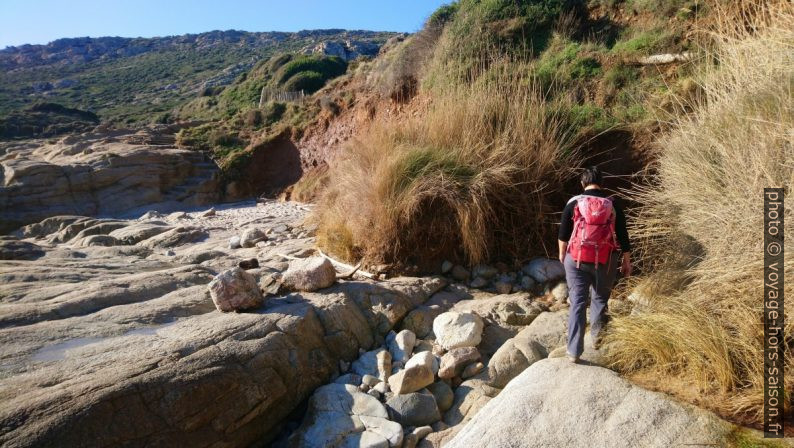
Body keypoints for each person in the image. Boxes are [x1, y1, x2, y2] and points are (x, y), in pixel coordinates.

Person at [558, 166, 631, 363]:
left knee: (578, 302)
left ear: (583, 183)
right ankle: (598, 339)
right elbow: (623, 235)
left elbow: (564, 234)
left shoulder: (574, 202)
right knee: (599, 299)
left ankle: (573, 351)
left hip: (577, 259)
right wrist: (626, 261)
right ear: (601, 183)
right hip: (606, 259)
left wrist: (562, 255)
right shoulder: (611, 204)